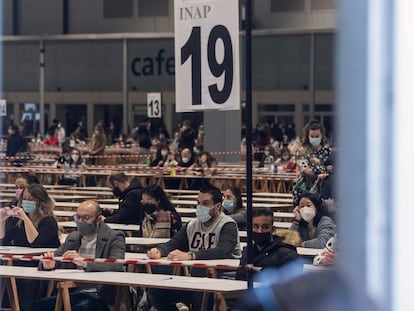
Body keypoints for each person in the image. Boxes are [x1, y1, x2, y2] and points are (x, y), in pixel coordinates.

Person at [146, 185, 242, 311]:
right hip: (196, 280)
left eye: (205, 203)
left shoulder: (227, 224)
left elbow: (222, 251)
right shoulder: (192, 224)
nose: (200, 207)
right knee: (156, 291)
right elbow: (174, 243)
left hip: (223, 280)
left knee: (201, 296)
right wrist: (159, 250)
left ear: (218, 206)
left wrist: (191, 255)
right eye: (198, 203)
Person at [32, 200, 126, 310]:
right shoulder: (73, 237)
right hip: (72, 291)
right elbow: (56, 258)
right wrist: (49, 265)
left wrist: (85, 262)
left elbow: (117, 265)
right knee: (34, 307)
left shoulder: (115, 237)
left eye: (86, 218)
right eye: (77, 217)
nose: (80, 221)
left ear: (99, 219)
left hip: (99, 294)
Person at [0, 183, 60, 309]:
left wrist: (26, 218)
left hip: (40, 265)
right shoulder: (17, 220)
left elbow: (35, 242)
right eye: (25, 199)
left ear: (40, 201)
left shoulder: (48, 221)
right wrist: (2, 220)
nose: (27, 202)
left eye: (31, 200)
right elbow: (4, 241)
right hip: (19, 262)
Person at [236, 207, 299, 281]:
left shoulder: (287, 255)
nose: (260, 231)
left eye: (265, 227)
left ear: (273, 229)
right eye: (255, 227)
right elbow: (240, 278)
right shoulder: (247, 252)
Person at [292, 120, 332, 206]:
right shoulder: (301, 151)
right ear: (307, 136)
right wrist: (321, 170)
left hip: (324, 190)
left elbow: (332, 167)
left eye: (317, 136)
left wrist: (321, 168)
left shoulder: (328, 151)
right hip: (304, 188)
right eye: (312, 136)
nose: (315, 138)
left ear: (322, 136)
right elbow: (304, 169)